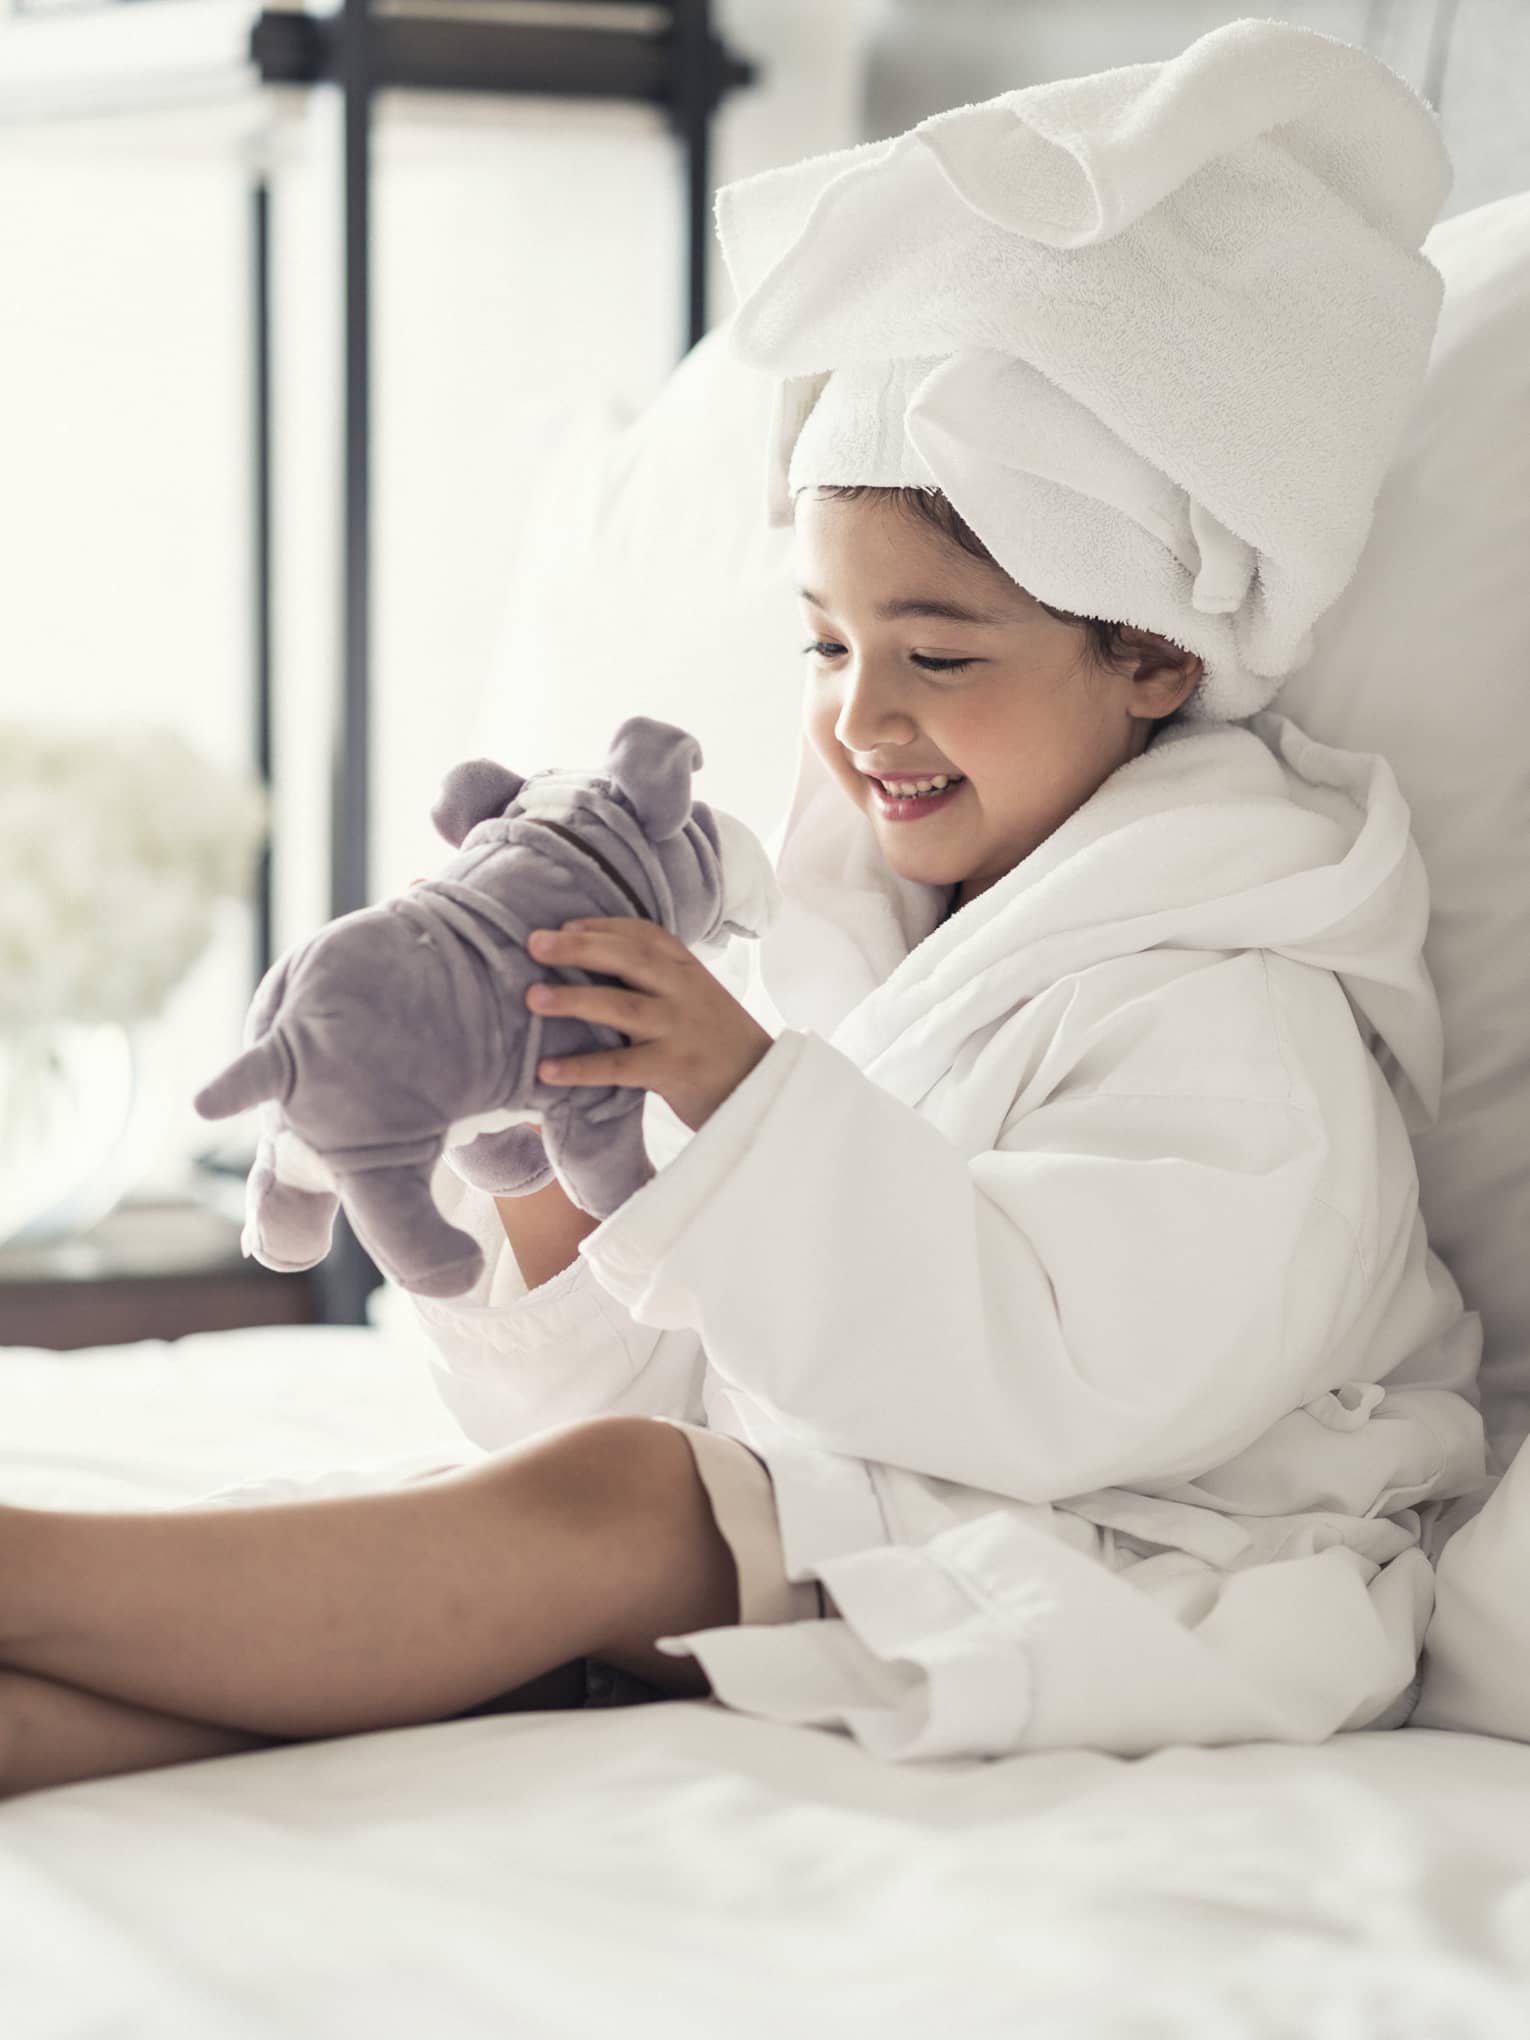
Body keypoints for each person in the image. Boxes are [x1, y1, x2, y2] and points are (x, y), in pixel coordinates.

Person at [0, 21, 1491, 1793]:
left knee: (610, 1509)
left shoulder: (1246, 1008)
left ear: (1155, 652)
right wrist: (550, 1185)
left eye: (937, 653)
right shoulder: (864, 938)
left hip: (1154, 1556)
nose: (862, 717)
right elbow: (705, 1376)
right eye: (827, 642)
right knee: (485, 1522)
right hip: (848, 1510)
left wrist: (742, 1108)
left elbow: (1063, 1380)